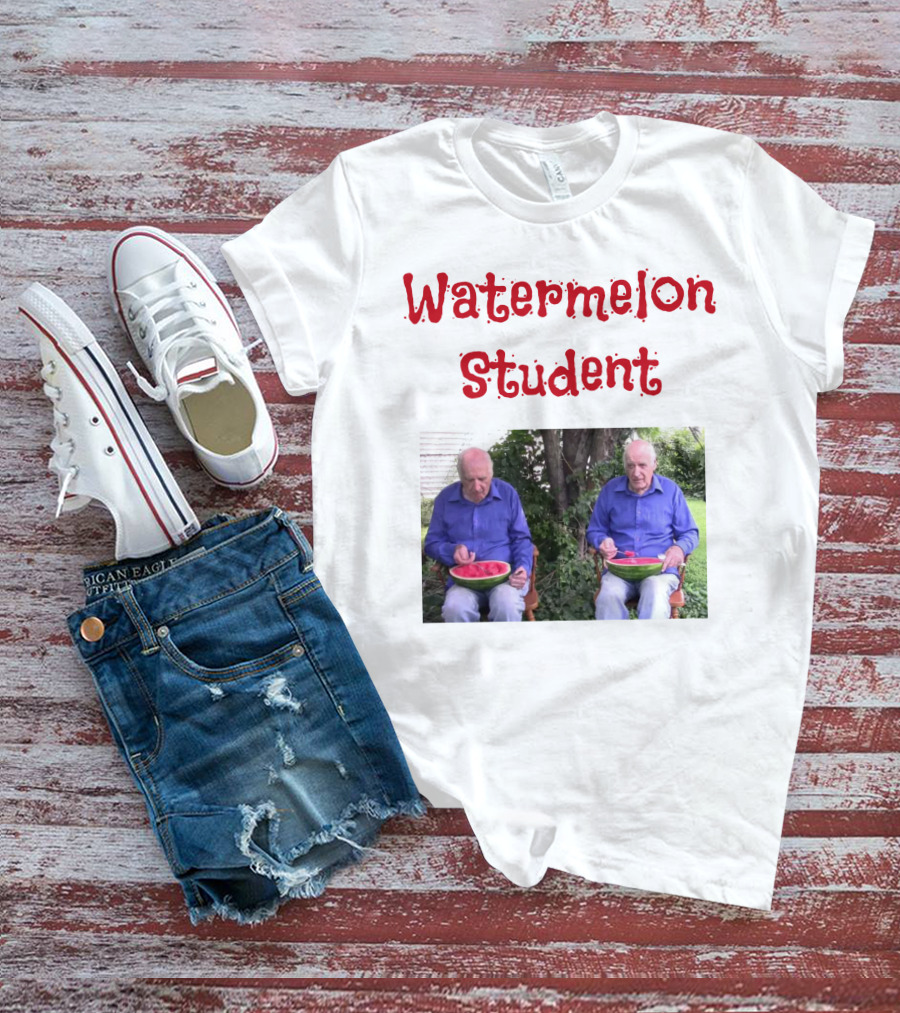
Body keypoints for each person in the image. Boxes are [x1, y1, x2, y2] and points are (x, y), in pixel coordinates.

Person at [587, 439, 699, 620]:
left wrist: (679, 548)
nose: (636, 472)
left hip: (659, 572)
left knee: (655, 591)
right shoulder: (610, 491)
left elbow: (690, 532)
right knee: (607, 597)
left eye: (642, 465)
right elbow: (594, 530)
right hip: (619, 572)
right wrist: (602, 541)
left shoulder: (671, 491)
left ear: (654, 464)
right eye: (630, 465)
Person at [425, 448, 533, 622]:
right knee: (454, 609)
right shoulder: (444, 499)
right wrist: (452, 550)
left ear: (491, 474)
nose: (476, 487)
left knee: (507, 605)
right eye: (469, 480)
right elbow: (431, 543)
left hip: (505, 579)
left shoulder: (507, 494)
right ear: (461, 477)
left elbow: (521, 538)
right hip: (464, 583)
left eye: (482, 479)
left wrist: (523, 567)